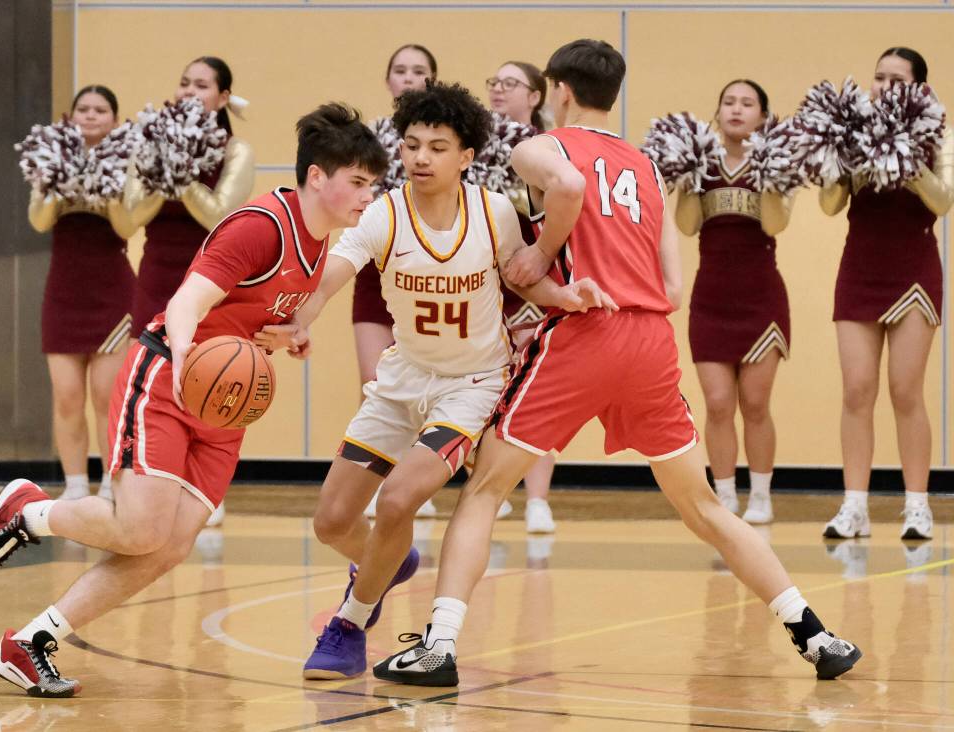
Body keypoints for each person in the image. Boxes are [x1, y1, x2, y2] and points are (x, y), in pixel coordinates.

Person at [373, 39, 861, 687]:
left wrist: (541, 253)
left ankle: (438, 646)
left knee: (485, 488)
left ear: (558, 91)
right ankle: (815, 634)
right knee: (704, 506)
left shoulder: (544, 147)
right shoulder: (647, 166)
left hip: (585, 332)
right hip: (650, 340)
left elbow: (570, 185)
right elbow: (674, 287)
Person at [0, 103, 388, 698]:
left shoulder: (320, 243)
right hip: (169, 374)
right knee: (140, 529)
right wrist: (186, 355)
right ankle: (28, 512)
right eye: (359, 182)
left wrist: (291, 335)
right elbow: (187, 301)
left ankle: (32, 641)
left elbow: (260, 312)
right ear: (318, 176)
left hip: (223, 405)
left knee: (171, 545)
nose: (369, 195)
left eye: (373, 184)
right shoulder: (260, 225)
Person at [255, 82, 611, 680]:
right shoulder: (384, 213)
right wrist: (300, 320)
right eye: (412, 145)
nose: (420, 158)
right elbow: (332, 273)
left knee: (399, 499)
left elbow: (522, 278)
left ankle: (348, 625)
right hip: (401, 380)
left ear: (466, 156)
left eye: (437, 147)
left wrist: (566, 295)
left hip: (471, 385)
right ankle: (390, 560)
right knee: (332, 522)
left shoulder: (492, 211)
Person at [820, 47, 953, 541]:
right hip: (860, 269)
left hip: (913, 272)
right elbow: (830, 204)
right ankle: (854, 506)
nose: (884, 86)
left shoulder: (940, 133)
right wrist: (841, 156)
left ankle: (917, 506)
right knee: (857, 389)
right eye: (879, 77)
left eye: (897, 79)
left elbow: (943, 201)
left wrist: (906, 155)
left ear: (920, 88)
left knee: (905, 390)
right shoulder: (848, 132)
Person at [124, 55, 255, 526]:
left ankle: (203, 488)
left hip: (210, 280)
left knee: (210, 375)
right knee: (148, 377)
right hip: (156, 274)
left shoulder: (236, 151)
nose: (189, 92)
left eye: (201, 85)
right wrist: (165, 165)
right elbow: (130, 216)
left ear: (223, 97)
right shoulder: (150, 144)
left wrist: (181, 174)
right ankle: (139, 479)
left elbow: (220, 213)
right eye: (184, 83)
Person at [675, 80, 794, 524]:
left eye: (747, 104)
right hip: (712, 300)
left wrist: (769, 174)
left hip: (761, 299)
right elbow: (687, 225)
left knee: (756, 403)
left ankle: (761, 494)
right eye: (728, 102)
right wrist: (689, 177)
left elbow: (775, 224)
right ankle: (724, 495)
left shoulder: (777, 161)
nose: (736, 110)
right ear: (718, 111)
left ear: (763, 116)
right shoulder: (700, 164)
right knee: (719, 402)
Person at [28, 85, 137, 502]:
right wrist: (55, 182)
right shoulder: (50, 156)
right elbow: (39, 221)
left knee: (107, 397)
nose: (91, 115)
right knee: (67, 397)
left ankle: (111, 484)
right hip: (63, 293)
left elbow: (128, 226)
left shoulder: (129, 160)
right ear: (71, 117)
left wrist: (102, 185)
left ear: (114, 119)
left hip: (112, 294)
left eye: (100, 109)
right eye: (83, 109)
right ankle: (74, 486)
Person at [361, 44, 440, 520]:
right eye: (400, 70)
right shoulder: (370, 139)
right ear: (388, 80)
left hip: (431, 276)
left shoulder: (447, 145)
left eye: (419, 71)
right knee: (375, 384)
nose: (408, 78)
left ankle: (417, 488)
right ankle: (379, 482)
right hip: (376, 275)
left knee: (427, 388)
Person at [485, 59, 557, 532]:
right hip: (484, 284)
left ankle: (537, 499)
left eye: (511, 84)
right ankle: (493, 488)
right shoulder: (471, 149)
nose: (499, 90)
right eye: (494, 82)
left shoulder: (548, 149)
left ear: (535, 96)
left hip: (530, 280)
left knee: (537, 389)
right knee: (487, 389)